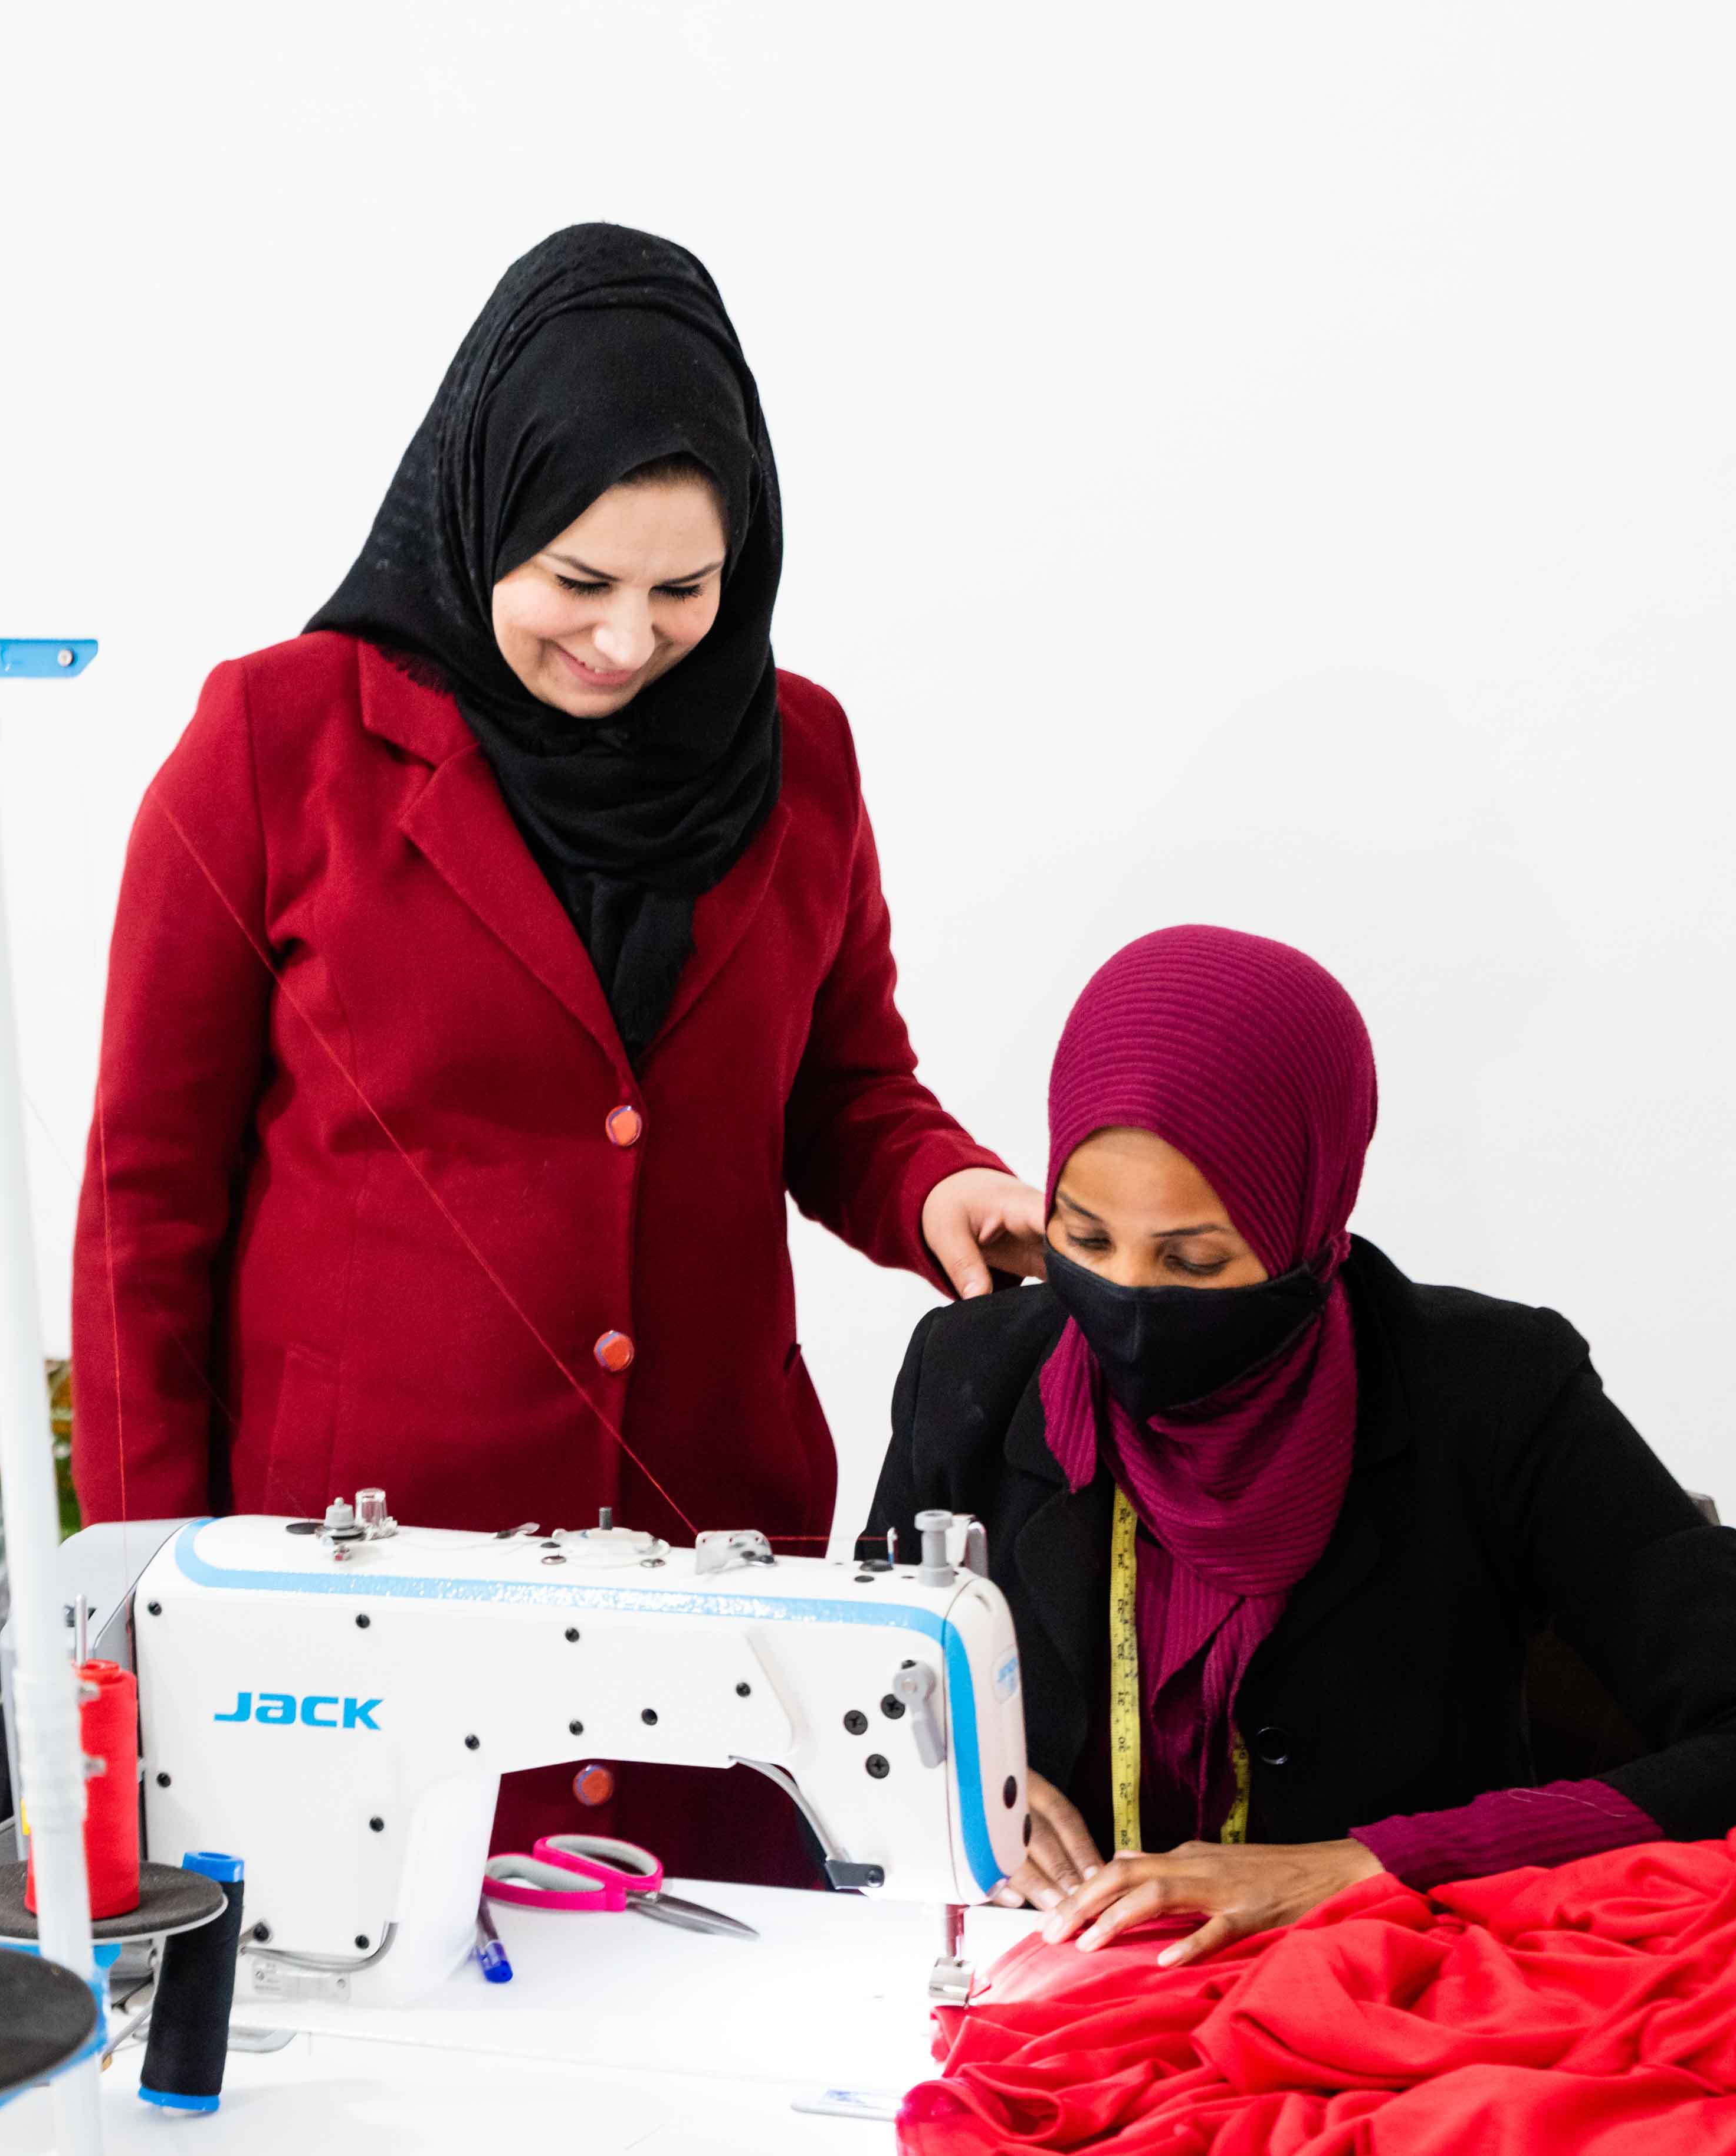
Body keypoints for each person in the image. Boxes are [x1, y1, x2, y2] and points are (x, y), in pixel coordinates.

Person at [74, 224, 1043, 1880]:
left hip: (706, 1559)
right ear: (479, 516)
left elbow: (843, 1085)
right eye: (576, 584)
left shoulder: (794, 751)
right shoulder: (274, 742)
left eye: (686, 589)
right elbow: (142, 1212)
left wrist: (941, 1184)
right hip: (353, 1580)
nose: (626, 640)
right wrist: (145, 1601)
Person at [867, 926, 1736, 1964]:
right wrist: (954, 1784)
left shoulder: (1491, 1391)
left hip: (1403, 2000)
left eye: (1194, 1258)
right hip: (1040, 1998)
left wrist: (1363, 1866)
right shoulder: (973, 1376)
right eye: (1084, 1241)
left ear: (1308, 1220)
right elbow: (860, 1684)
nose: (1127, 1300)